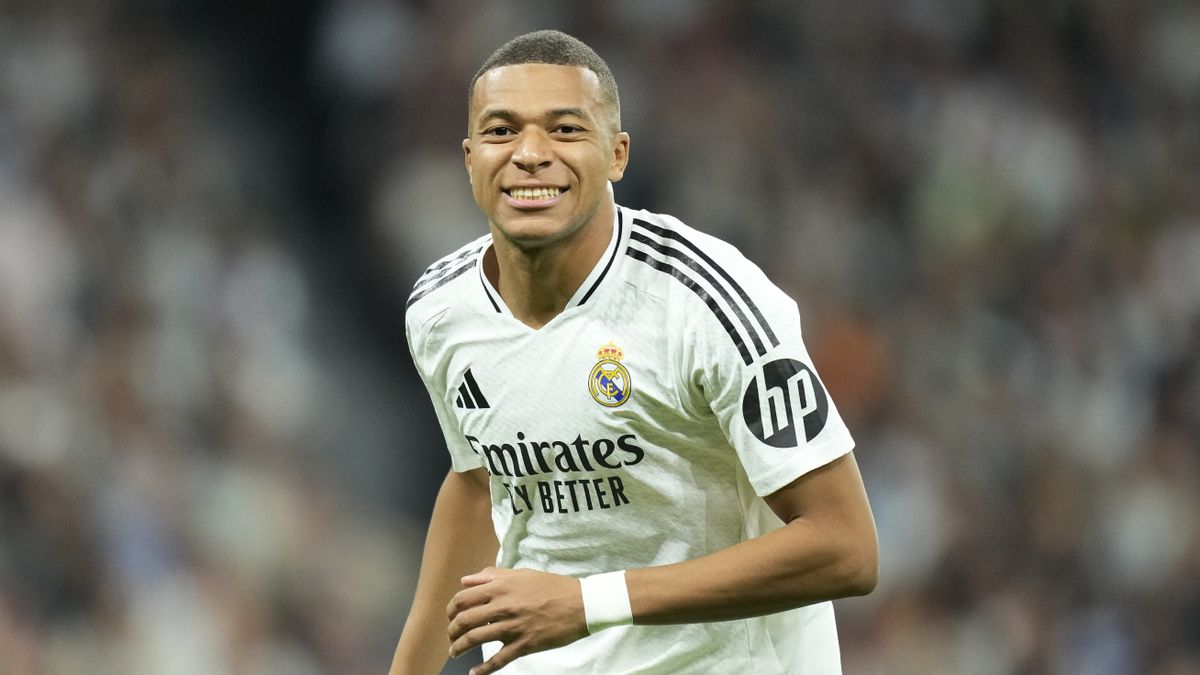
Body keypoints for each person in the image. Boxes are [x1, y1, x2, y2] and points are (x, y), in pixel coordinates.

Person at [389, 29, 878, 675]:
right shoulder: (440, 309)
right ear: (470, 155)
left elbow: (846, 547)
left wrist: (587, 601)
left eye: (565, 130)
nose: (530, 153)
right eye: (502, 130)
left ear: (617, 155)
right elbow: (479, 481)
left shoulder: (705, 301)